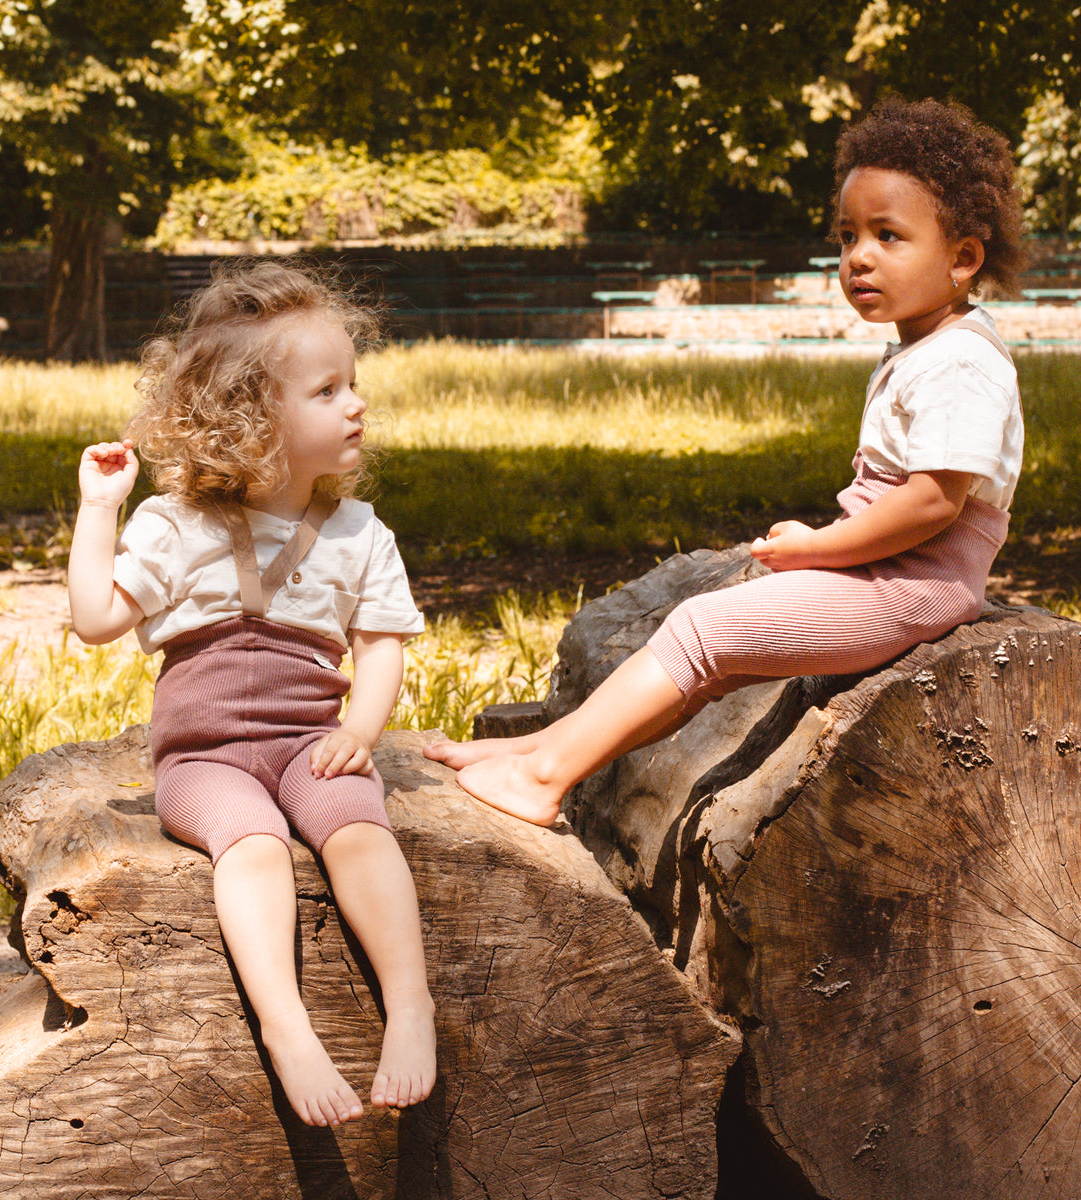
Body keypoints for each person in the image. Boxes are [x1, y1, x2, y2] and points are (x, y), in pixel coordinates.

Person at [425, 95, 1026, 827]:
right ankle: (545, 749)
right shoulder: (928, 345)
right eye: (847, 237)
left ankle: (543, 778)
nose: (858, 257)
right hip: (895, 569)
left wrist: (818, 548)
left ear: (964, 257)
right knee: (708, 655)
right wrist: (829, 542)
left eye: (889, 236)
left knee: (704, 632)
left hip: (916, 584)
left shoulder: (961, 361)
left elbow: (932, 503)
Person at [68, 261, 436, 1128]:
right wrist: (100, 507)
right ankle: (287, 1029)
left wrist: (360, 729)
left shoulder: (358, 531)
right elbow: (93, 619)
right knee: (255, 842)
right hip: (205, 758)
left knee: (357, 827)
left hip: (311, 740)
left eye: (354, 384)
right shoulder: (174, 524)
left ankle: (411, 1004)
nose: (356, 404)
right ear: (251, 415)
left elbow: (382, 644)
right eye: (327, 390)